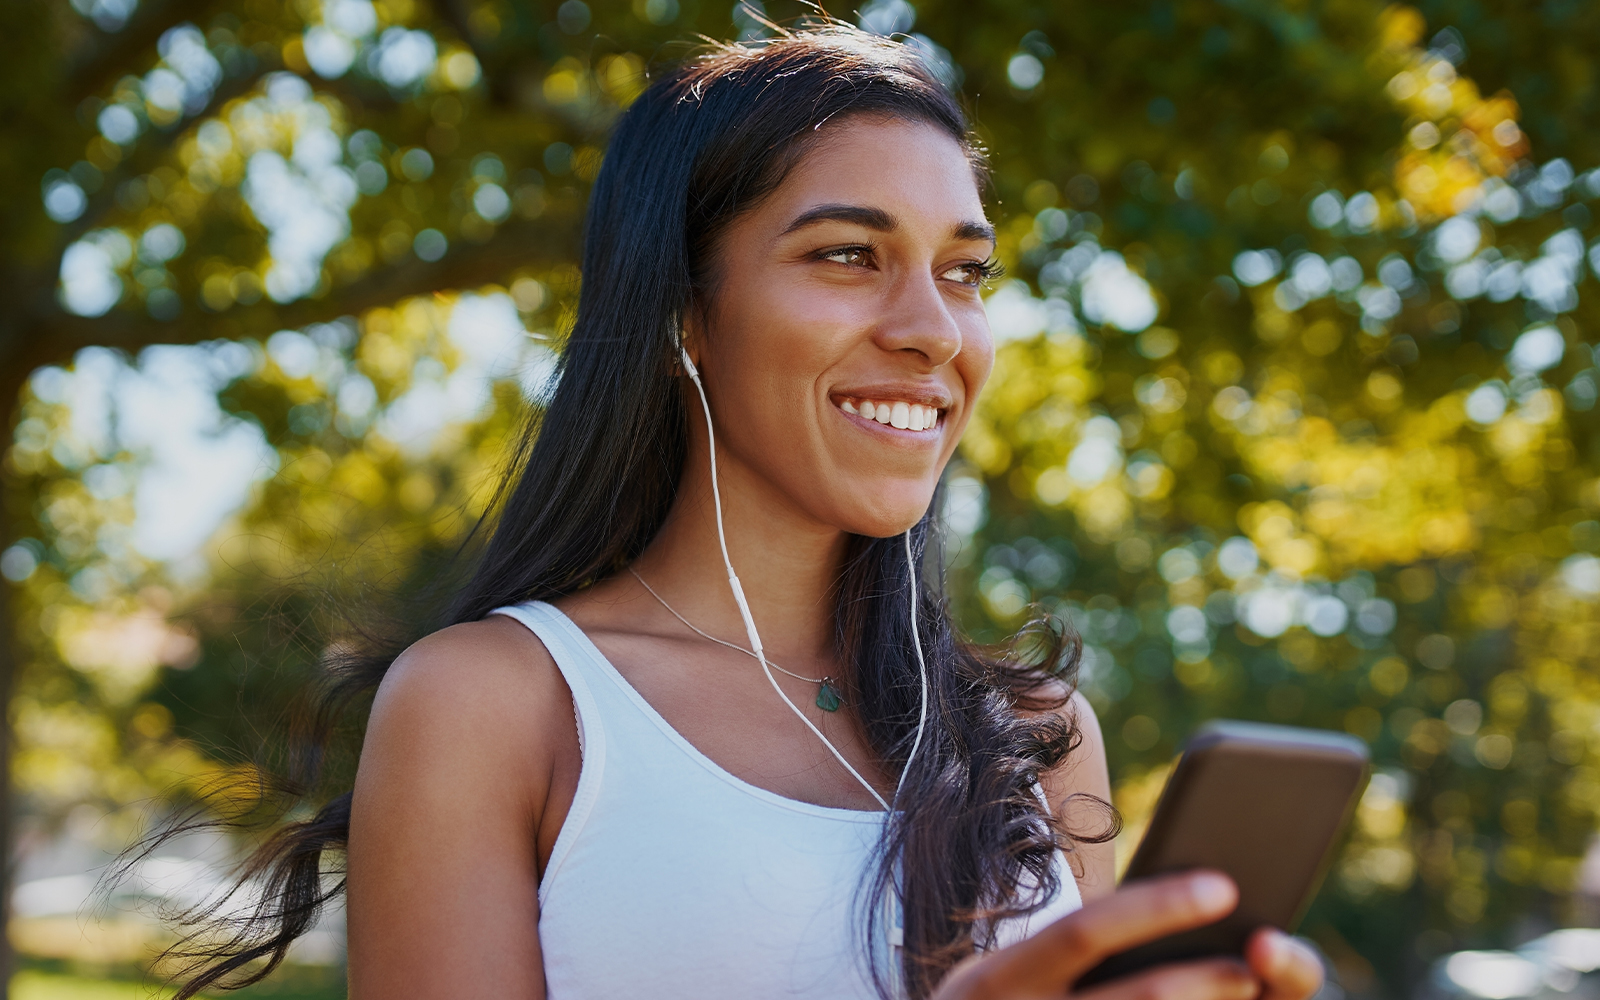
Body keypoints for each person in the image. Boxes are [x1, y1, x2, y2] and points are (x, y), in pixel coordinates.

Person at [173, 22, 1328, 1000]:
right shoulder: (497, 703)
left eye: (964, 271)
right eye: (848, 254)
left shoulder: (1038, 735)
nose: (933, 329)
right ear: (683, 310)